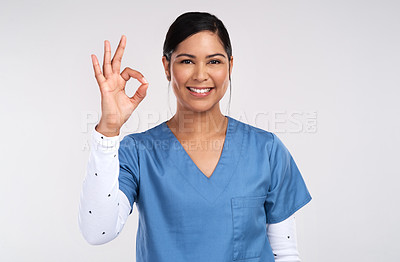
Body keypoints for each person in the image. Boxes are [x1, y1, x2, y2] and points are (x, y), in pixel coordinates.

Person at [78, 11, 312, 262]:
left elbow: (284, 253)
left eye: (214, 61)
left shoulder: (267, 150)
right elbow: (97, 231)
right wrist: (109, 130)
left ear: (230, 66)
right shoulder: (139, 152)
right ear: (167, 67)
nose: (201, 75)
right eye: (187, 61)